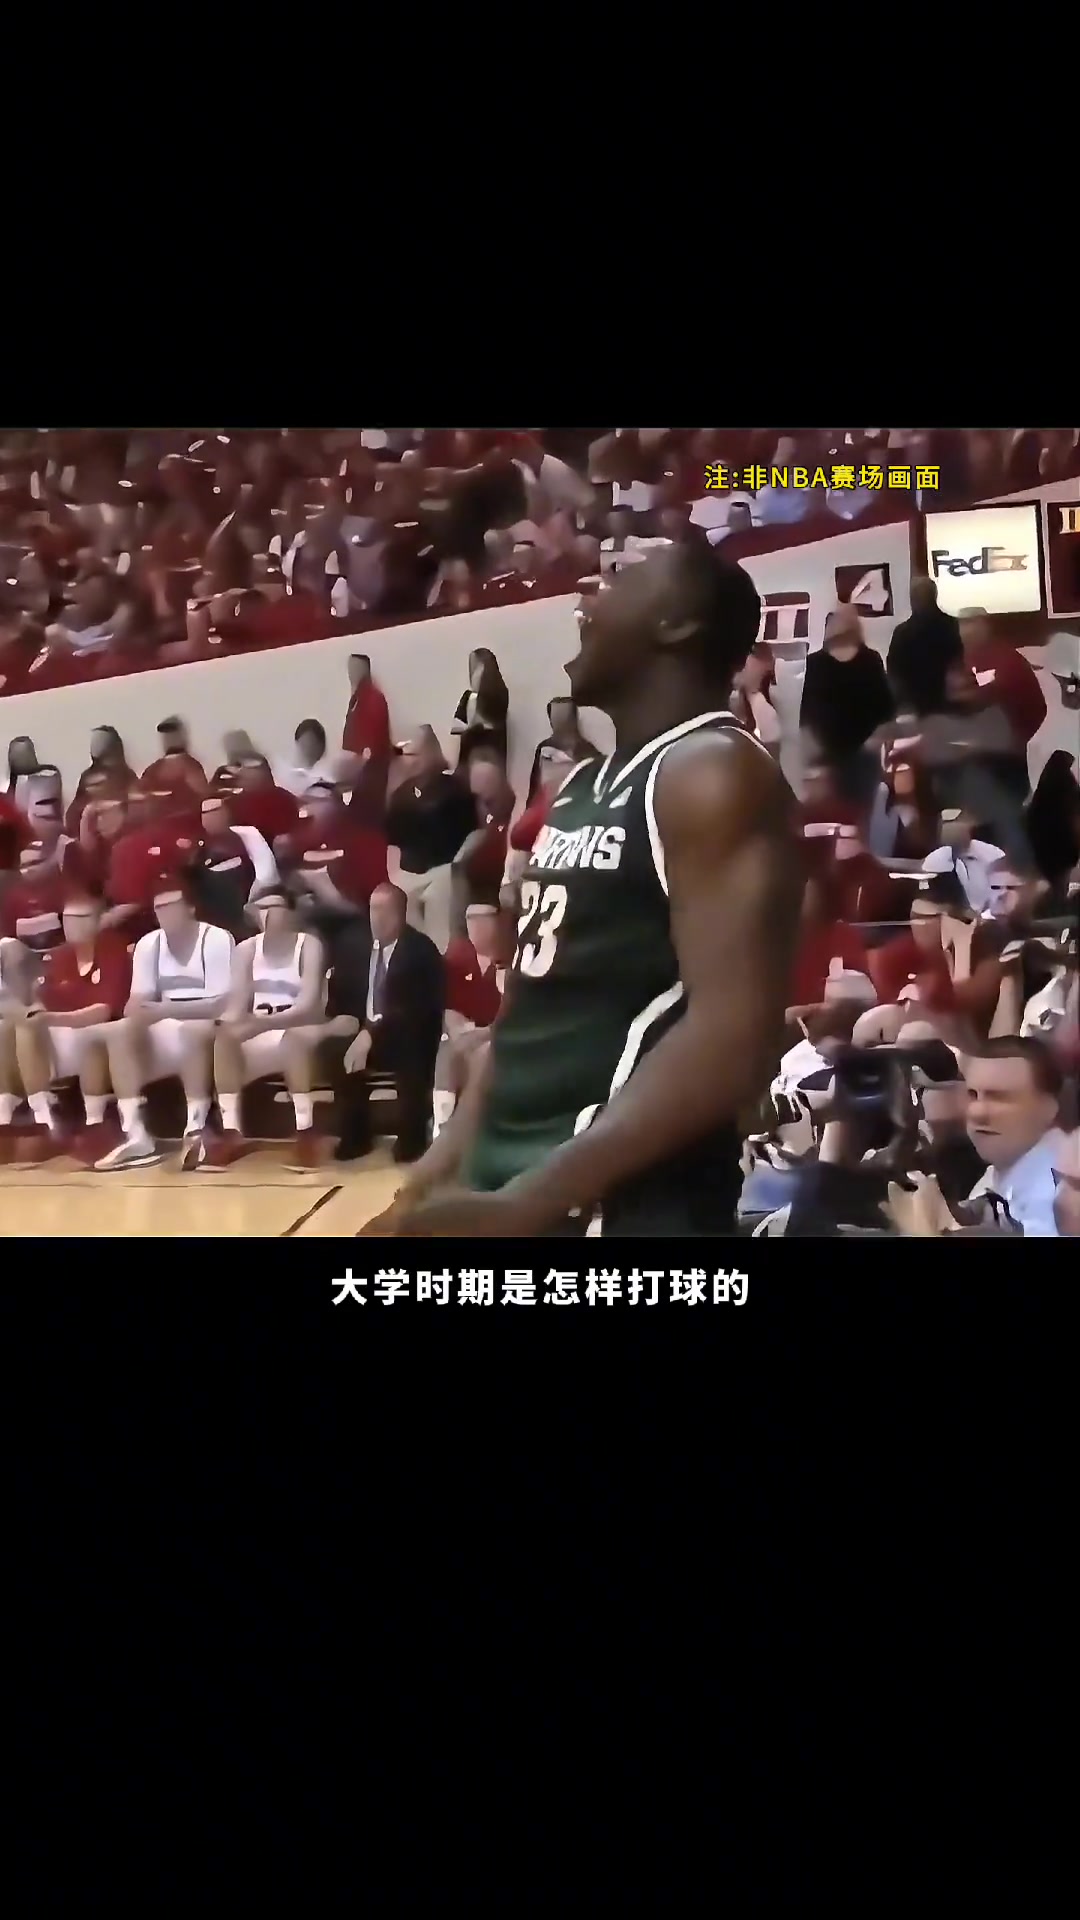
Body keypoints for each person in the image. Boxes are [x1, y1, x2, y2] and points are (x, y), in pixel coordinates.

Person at [369, 541, 802, 1237]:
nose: (587, 598)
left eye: (621, 581)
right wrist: (434, 1174)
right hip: (514, 1187)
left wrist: (531, 1201)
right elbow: (526, 1019)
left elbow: (732, 1038)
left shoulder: (713, 772)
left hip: (621, 1206)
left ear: (677, 624)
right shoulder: (581, 785)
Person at [94, 886, 234, 1171]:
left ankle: (195, 1129)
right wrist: (138, 1012)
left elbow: (220, 1004)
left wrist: (168, 1010)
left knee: (193, 1030)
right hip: (164, 1025)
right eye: (159, 908)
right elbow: (137, 1000)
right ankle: (136, 1135)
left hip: (209, 1026)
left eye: (171, 906)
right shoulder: (149, 944)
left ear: (190, 908)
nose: (164, 913)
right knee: (120, 1031)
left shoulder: (217, 939)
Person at [202, 887, 335, 1171]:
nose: (268, 915)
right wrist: (225, 1023)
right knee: (224, 1039)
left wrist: (264, 1023)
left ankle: (306, 1133)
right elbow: (237, 1005)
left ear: (290, 913)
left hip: (301, 1026)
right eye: (262, 909)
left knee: (294, 1039)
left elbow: (308, 1005)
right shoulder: (246, 949)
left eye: (274, 907)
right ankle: (231, 1131)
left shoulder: (308, 945)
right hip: (262, 1028)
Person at [325, 882, 444, 1164]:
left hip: (409, 1033)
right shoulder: (355, 946)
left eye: (385, 911)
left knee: (411, 1050)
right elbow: (341, 994)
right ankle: (356, 1135)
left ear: (401, 914)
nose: (377, 918)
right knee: (336, 1049)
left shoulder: (420, 950)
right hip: (364, 1030)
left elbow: (414, 1008)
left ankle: (412, 1136)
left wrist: (371, 1033)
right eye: (373, 910)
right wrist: (347, 1022)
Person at [8, 892, 132, 1162]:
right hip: (59, 1032)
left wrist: (50, 1019)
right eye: (67, 919)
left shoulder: (114, 952)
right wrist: (35, 1011)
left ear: (98, 921)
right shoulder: (59, 956)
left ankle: (55, 1119)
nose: (71, 925)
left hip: (98, 1034)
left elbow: (103, 1011)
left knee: (30, 1028)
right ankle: (22, 1116)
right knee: (11, 1027)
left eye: (80, 918)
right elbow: (40, 1000)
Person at [963, 1037, 1066, 1235]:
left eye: (999, 1097)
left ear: (1049, 1108)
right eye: (972, 1095)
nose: (977, 1112)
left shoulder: (1060, 1195)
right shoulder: (1003, 1169)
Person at [384, 732, 475, 953]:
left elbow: (473, 830)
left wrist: (458, 864)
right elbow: (392, 840)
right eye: (407, 756)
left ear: (430, 753)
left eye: (414, 755)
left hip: (443, 869)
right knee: (407, 939)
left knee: (441, 937)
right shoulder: (401, 795)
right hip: (408, 873)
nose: (409, 761)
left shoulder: (455, 789)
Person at [799, 607, 895, 811]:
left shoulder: (869, 660)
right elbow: (805, 715)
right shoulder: (815, 663)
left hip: (860, 756)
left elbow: (886, 709)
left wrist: (878, 747)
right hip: (828, 757)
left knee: (860, 815)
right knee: (837, 817)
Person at [886, 576, 962, 717]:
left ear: (912, 601)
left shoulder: (903, 632)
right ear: (935, 596)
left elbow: (894, 671)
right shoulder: (952, 625)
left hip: (915, 704)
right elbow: (960, 661)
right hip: (949, 700)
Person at [341, 654, 392, 826]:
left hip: (370, 773)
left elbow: (373, 740)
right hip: (359, 772)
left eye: (354, 668)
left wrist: (361, 761)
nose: (350, 673)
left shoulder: (373, 698)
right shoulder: (357, 698)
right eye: (349, 668)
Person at [526, 698, 600, 801]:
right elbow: (535, 787)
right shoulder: (544, 749)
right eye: (556, 717)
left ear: (573, 718)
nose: (560, 721)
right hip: (549, 804)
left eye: (565, 716)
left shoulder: (587, 749)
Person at [450, 648, 509, 771]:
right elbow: (456, 726)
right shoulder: (468, 697)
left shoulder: (498, 696)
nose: (472, 674)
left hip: (489, 754)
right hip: (471, 754)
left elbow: (496, 725)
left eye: (476, 668)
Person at [140, 716, 209, 799]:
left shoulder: (190, 765)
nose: (169, 738)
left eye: (173, 734)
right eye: (166, 734)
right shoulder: (154, 769)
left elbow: (202, 793)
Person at [273, 719, 337, 798]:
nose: (308, 749)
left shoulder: (326, 782)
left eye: (312, 745)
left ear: (321, 748)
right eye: (304, 744)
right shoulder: (281, 775)